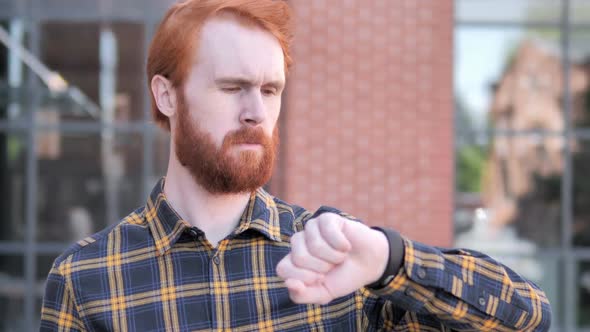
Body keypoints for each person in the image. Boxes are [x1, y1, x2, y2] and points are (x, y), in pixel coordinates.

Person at [40, 0, 551, 331]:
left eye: (270, 90)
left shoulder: (335, 263)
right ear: (166, 95)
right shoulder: (88, 281)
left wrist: (390, 261)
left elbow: (529, 318)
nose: (256, 112)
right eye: (232, 87)